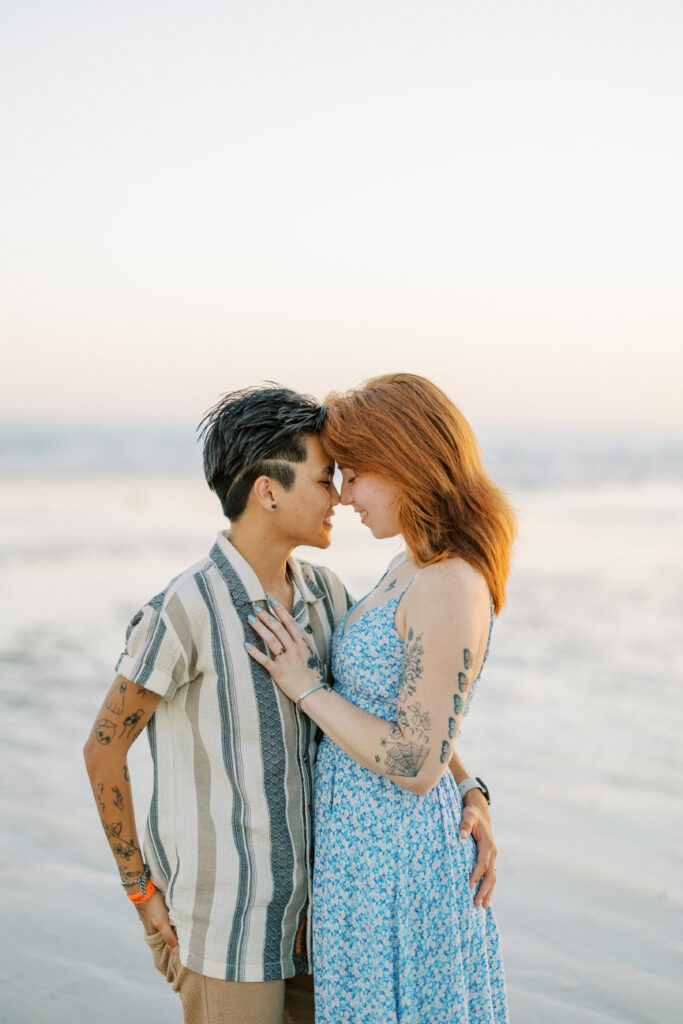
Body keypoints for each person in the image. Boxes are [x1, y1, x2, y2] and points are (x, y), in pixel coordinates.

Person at [83, 383, 498, 1024]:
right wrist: (139, 889)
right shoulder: (187, 608)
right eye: (325, 476)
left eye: (346, 475)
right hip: (227, 929)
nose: (338, 493)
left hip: (324, 922)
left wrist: (471, 788)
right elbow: (104, 748)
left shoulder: (327, 595)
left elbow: (401, 707)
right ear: (268, 490)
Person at [245, 373, 515, 1024]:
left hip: (400, 865)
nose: (342, 493)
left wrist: (304, 686)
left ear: (402, 463)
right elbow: (422, 720)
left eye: (354, 473)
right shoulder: (410, 564)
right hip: (363, 857)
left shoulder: (449, 581)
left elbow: (413, 763)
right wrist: (471, 784)